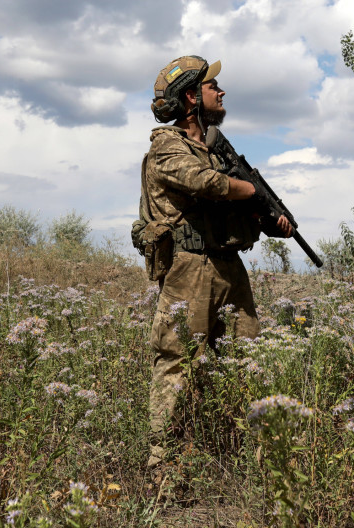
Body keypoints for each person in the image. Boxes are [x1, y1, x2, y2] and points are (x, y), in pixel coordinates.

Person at [137, 55, 293, 469]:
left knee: (245, 356)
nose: (221, 91)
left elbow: (230, 202)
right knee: (178, 361)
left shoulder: (217, 149)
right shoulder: (167, 147)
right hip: (190, 268)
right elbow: (206, 184)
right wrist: (251, 191)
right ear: (191, 97)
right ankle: (164, 465)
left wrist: (269, 219)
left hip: (228, 266)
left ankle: (241, 452)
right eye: (212, 86)